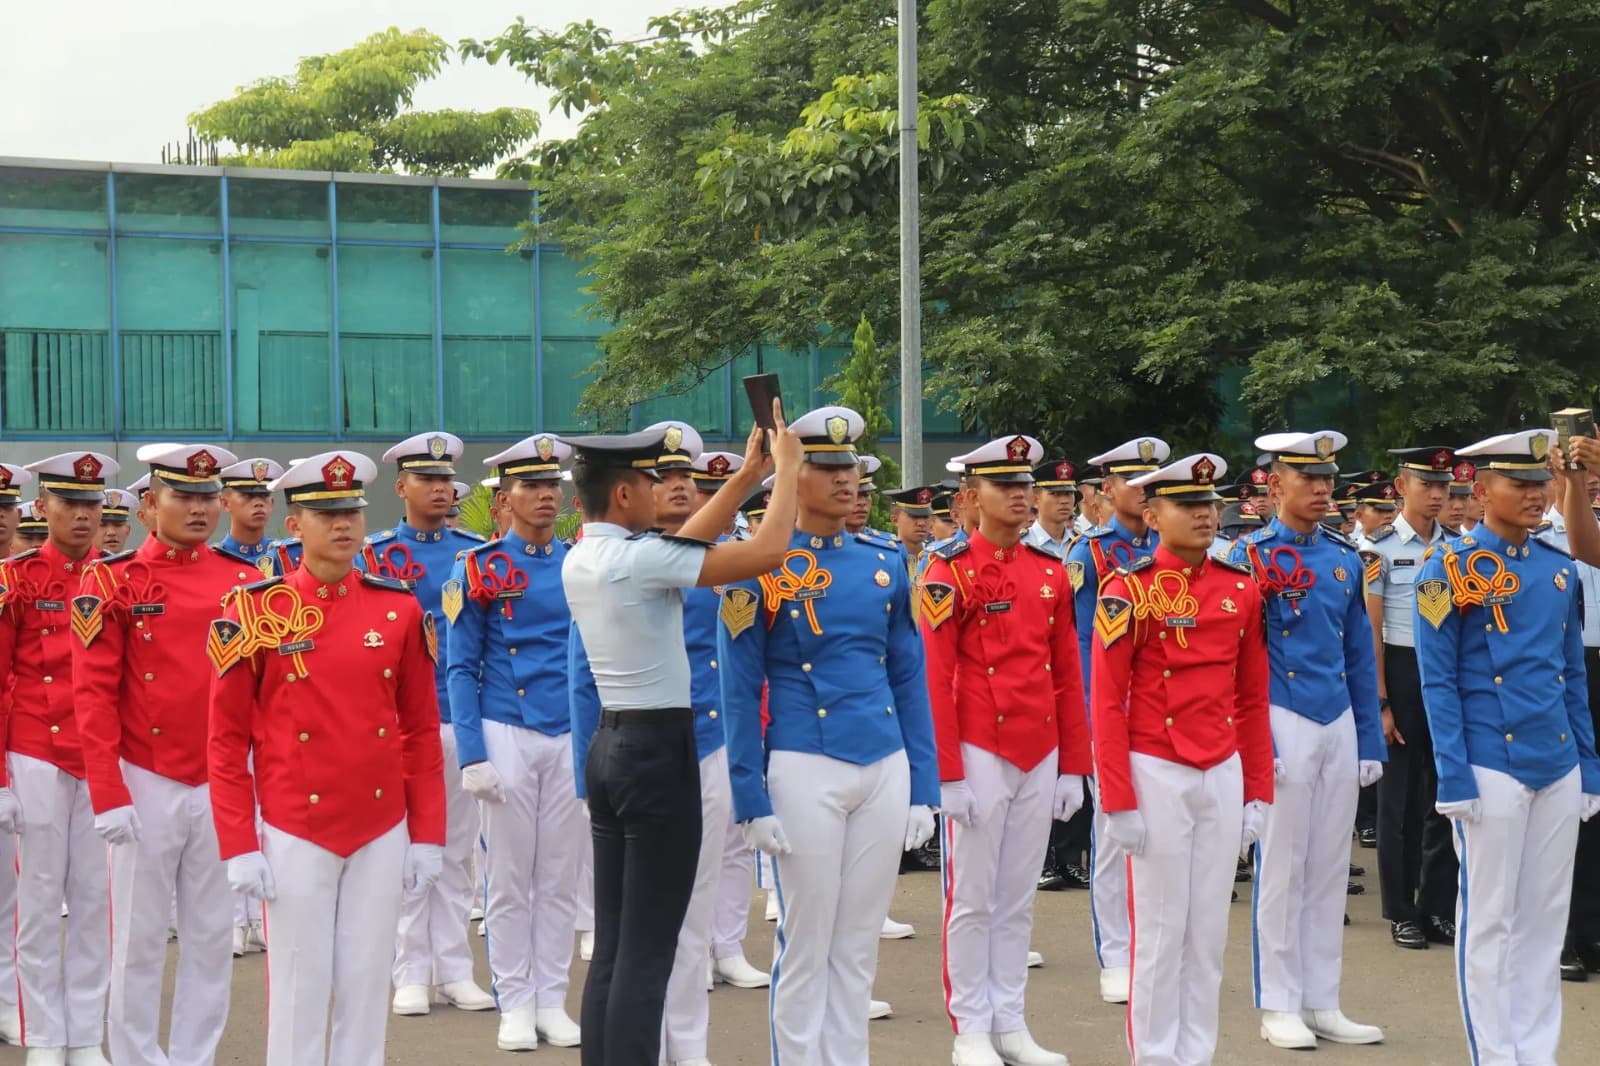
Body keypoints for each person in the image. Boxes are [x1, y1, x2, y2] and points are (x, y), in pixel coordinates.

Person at [562, 412, 801, 1066]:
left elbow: (691, 542)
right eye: (649, 480)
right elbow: (770, 550)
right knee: (650, 950)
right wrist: (788, 472)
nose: (669, 490)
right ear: (623, 494)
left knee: (613, 947)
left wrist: (750, 474)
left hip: (611, 747)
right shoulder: (639, 560)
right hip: (659, 754)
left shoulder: (589, 554)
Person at [208, 451, 447, 1066]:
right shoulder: (255, 610)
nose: (343, 525)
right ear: (296, 525)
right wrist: (238, 841)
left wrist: (427, 834)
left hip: (380, 823)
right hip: (295, 823)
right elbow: (227, 739)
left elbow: (419, 731)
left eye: (352, 512)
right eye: (325, 513)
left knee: (368, 982)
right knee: (297, 983)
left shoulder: (398, 608)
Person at [718, 405, 938, 1066]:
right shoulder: (760, 562)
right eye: (827, 466)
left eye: (852, 467)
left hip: (883, 761)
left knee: (859, 940)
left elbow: (908, 675)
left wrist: (923, 784)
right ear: (793, 474)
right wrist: (748, 795)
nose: (848, 481)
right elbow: (738, 686)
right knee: (807, 940)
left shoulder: (883, 561)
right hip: (803, 763)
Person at [1414, 429, 1600, 1064]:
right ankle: (1494, 1053)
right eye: (1517, 483)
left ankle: (1536, 1049)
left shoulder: (1555, 569)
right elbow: (1436, 680)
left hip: (1557, 761)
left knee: (1546, 920)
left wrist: (1590, 765)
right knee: (1490, 918)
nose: (1532, 494)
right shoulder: (1447, 568)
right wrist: (1454, 774)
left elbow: (1570, 672)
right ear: (1483, 488)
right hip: (1490, 760)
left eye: (1538, 482)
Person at [72, 443, 257, 1066]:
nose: (200, 508)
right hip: (144, 777)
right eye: (185, 495)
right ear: (150, 505)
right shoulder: (111, 580)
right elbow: (92, 694)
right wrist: (108, 789)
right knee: (138, 935)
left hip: (223, 778)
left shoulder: (245, 581)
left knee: (210, 934)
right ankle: (133, 1056)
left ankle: (195, 1055)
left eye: (209, 496)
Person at [1091, 453, 1273, 1066]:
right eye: (1187, 505)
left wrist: (1258, 791)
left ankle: (1197, 1053)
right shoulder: (1128, 589)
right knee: (1162, 933)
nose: (1204, 514)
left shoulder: (1240, 588)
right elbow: (1107, 702)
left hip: (1220, 766)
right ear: (1152, 513)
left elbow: (1250, 696)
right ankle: (1155, 1055)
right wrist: (1117, 799)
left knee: (1208, 934)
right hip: (1156, 766)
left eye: (1210, 504)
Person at [921, 436, 1088, 1066]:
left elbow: (1067, 671)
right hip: (978, 744)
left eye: (1026, 486)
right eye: (1005, 487)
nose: (1021, 497)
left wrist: (1075, 762)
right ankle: (970, 1024)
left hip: (1038, 745)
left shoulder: (1049, 571)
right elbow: (934, 676)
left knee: (1018, 894)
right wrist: (948, 772)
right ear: (971, 498)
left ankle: (1011, 1019)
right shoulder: (949, 569)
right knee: (972, 895)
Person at [1228, 431, 1385, 1050]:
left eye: (1328, 479)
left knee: (1326, 866)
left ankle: (1323, 998)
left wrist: (1369, 739)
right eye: (1308, 479)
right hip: (1278, 714)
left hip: (1337, 718)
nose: (1323, 490)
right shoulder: (1246, 558)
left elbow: (1357, 654)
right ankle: (1279, 1002)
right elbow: (1235, 660)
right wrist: (1252, 742)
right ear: (1274, 483)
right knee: (1281, 867)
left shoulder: (1346, 558)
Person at [446, 432, 583, 1050]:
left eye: (552, 485)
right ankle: (515, 1000)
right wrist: (472, 752)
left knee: (558, 875)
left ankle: (553, 998)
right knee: (506, 878)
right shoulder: (476, 567)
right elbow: (459, 666)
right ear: (504, 498)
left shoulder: (579, 562)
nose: (545, 496)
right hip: (506, 727)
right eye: (531, 486)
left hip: (570, 730)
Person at [369, 431, 496, 1017]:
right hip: (396, 723)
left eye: (447, 479)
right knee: (406, 850)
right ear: (401, 488)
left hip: (460, 718)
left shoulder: (476, 555)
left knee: (457, 849)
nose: (441, 489)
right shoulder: (373, 558)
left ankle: (454, 966)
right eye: (427, 479)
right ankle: (409, 970)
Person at [1, 452, 121, 1066]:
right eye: (69, 504)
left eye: (91, 504)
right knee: (39, 898)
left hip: (104, 756)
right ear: (40, 507)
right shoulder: (16, 578)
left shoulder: (120, 578)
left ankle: (85, 1032)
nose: (81, 515)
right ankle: (45, 1035)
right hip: (36, 751)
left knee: (95, 898)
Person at [1067, 436, 1169, 1004]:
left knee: (1158, 839)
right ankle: (1115, 952)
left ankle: (1151, 947)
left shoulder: (1169, 545)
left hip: (1161, 712)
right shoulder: (1091, 555)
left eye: (1151, 478)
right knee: (1112, 839)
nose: (1144, 488)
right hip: (1110, 711)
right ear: (1107, 489)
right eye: (1132, 479)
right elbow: (1082, 645)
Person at [1361, 448, 1459, 952]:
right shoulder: (1377, 548)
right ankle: (1401, 910)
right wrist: (1381, 701)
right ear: (1402, 487)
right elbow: (1372, 631)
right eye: (1427, 485)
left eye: (1443, 486)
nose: (1438, 494)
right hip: (1398, 671)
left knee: (1444, 795)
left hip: (1442, 672)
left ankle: (1437, 906)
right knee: (1397, 799)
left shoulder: (1456, 547)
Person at [1534, 454, 1600, 980]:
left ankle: (1592, 931)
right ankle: (1566, 937)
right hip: (1571, 669)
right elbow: (1584, 545)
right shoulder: (1541, 533)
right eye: (1577, 470)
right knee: (1572, 812)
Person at [0, 461, 29, 1046]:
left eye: (5, 508)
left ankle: (8, 1004)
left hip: (16, 755)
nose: (2, 520)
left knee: (9, 897)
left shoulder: (20, 582)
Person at [217, 458, 285, 562]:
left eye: (264, 495)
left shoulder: (285, 557)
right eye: (248, 496)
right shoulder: (215, 559)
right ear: (225, 503)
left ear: (271, 503)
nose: (259, 503)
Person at [1021, 459, 1078, 560]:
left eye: (1069, 493)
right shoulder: (1021, 544)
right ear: (1035, 499)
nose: (1064, 501)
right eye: (1055, 494)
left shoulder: (1082, 543)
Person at [96, 489, 136, 553]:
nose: (111, 532)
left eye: (118, 525)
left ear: (128, 530)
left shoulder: (138, 562)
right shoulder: (77, 562)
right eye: (103, 525)